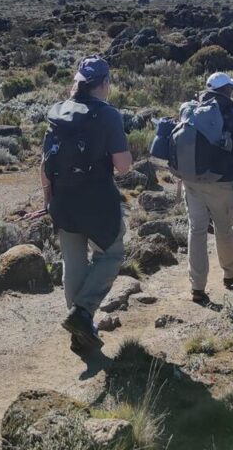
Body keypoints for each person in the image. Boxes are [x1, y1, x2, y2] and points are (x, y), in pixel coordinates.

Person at [41, 56, 132, 354]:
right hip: (97, 201)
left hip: (64, 200)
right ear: (104, 83)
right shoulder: (108, 115)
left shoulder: (58, 111)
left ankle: (80, 332)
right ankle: (81, 314)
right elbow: (123, 167)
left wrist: (48, 200)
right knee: (112, 253)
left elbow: (45, 164)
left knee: (73, 262)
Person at [182, 72, 233, 306]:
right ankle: (230, 272)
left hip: (191, 180)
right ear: (225, 90)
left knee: (197, 230)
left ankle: (197, 287)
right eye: (230, 88)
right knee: (223, 228)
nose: (232, 91)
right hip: (221, 181)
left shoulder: (191, 108)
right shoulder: (230, 112)